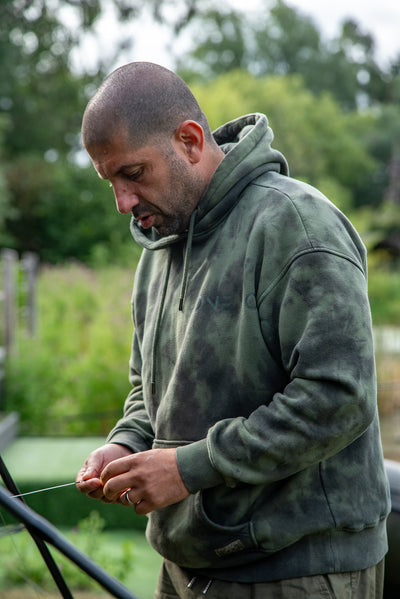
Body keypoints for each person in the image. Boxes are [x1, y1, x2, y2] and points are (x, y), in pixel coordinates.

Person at [77, 61, 391, 598]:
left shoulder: (296, 224)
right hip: (187, 562)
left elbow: (339, 398)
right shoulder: (158, 250)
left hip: (298, 570)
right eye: (111, 182)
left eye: (133, 173)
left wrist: (188, 468)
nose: (122, 202)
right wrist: (127, 441)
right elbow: (150, 390)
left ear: (190, 141)